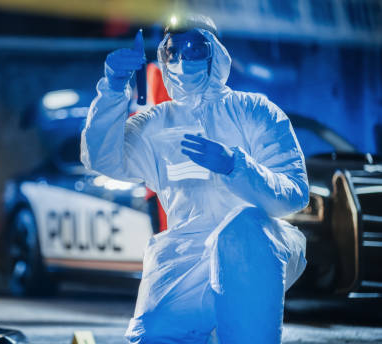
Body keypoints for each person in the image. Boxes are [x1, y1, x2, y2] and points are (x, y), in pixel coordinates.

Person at [81, 14, 308, 343]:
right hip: (186, 255)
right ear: (163, 57)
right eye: (174, 51)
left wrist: (236, 166)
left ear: (215, 53)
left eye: (195, 49)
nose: (184, 60)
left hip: (258, 248)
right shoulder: (156, 124)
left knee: (241, 231)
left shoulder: (256, 112)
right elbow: (101, 157)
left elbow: (295, 193)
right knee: (153, 334)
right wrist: (113, 89)